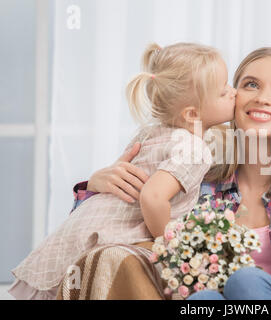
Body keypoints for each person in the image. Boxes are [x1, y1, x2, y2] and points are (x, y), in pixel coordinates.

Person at [52, 47, 271, 300]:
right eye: (251, 84)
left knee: (244, 283)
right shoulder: (196, 173)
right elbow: (105, 229)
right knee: (201, 299)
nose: (262, 98)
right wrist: (98, 186)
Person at [9, 42, 236, 300]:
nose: (233, 93)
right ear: (192, 113)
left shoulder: (152, 132)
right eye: (223, 91)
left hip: (77, 236)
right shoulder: (195, 149)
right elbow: (152, 198)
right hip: (103, 240)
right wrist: (173, 248)